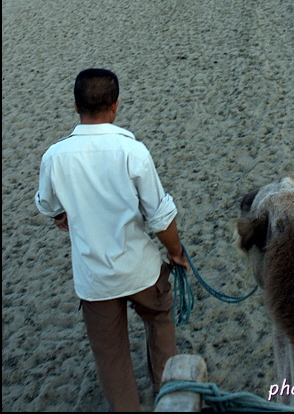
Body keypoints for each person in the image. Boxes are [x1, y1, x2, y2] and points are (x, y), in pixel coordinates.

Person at [35, 68, 189, 412]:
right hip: (140, 269)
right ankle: (167, 392)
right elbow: (160, 216)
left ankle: (126, 407)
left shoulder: (55, 156)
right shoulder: (133, 152)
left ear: (76, 106)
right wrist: (176, 252)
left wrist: (62, 212)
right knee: (160, 318)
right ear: (115, 106)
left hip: (94, 279)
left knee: (110, 354)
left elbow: (47, 203)